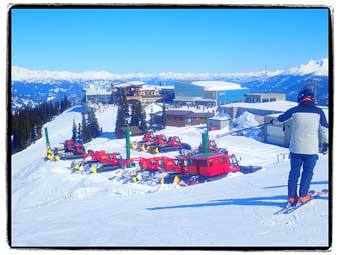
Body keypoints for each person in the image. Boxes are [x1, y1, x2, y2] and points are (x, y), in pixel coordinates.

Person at [271, 88, 328, 206]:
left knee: (294, 173)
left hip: (295, 149)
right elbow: (324, 129)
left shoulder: (294, 110)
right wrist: (325, 144)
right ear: (312, 98)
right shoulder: (319, 112)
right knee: (307, 173)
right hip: (311, 150)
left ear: (300, 98)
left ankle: (291, 197)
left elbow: (279, 120)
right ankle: (303, 196)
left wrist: (272, 121)